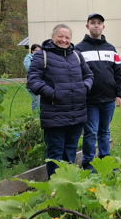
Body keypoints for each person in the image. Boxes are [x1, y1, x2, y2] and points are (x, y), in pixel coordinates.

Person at [27, 24, 93, 178]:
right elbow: (33, 80)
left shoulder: (76, 55)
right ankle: (55, 186)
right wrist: (53, 93)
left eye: (67, 37)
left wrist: (84, 87)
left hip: (76, 112)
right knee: (55, 151)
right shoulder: (42, 55)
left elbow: (89, 75)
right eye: (60, 36)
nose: (64, 40)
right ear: (53, 37)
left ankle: (68, 184)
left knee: (70, 149)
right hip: (54, 113)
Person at [75, 13, 121, 171]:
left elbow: (117, 73)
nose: (96, 25)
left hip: (109, 99)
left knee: (104, 131)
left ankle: (104, 161)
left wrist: (119, 93)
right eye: (93, 23)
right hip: (89, 100)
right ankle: (88, 163)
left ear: (103, 26)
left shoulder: (111, 49)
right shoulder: (79, 49)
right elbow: (76, 74)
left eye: (99, 23)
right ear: (87, 26)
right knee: (90, 132)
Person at [23, 43, 41, 111]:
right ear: (32, 51)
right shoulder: (28, 58)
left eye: (40, 51)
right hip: (32, 83)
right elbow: (29, 68)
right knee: (36, 101)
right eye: (36, 50)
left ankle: (40, 117)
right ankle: (35, 118)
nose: (38, 52)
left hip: (41, 83)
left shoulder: (42, 57)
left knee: (42, 101)